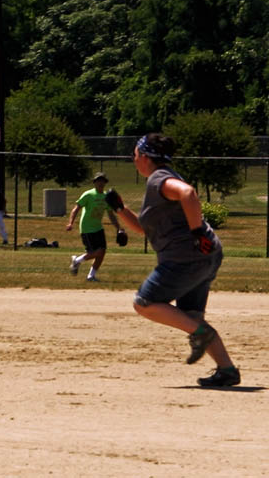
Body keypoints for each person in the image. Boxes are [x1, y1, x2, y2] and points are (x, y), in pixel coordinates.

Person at [107, 133, 239, 387]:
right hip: (204, 255)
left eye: (135, 155)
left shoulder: (159, 179)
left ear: (145, 158)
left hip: (185, 257)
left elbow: (188, 194)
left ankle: (201, 334)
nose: (133, 160)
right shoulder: (164, 178)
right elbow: (145, 229)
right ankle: (227, 370)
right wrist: (120, 209)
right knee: (190, 316)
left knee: (144, 303)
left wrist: (197, 232)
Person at [66, 172, 123, 282]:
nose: (100, 183)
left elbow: (111, 215)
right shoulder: (88, 194)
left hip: (98, 228)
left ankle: (91, 276)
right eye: (98, 180)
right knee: (96, 252)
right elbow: (76, 208)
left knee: (102, 252)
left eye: (102, 181)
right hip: (87, 228)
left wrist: (118, 227)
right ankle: (77, 260)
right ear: (95, 183)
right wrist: (71, 223)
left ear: (105, 183)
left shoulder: (106, 197)